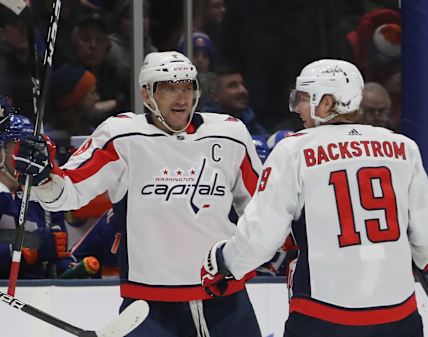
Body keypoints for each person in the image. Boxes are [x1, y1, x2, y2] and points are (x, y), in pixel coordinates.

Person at [13, 51, 263, 337]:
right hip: (149, 306)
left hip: (225, 299)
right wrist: (44, 175)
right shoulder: (121, 137)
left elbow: (260, 209)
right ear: (147, 94)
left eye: (187, 87)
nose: (181, 98)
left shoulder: (230, 134)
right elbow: (67, 193)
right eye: (168, 88)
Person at [200, 59, 428, 337]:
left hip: (324, 315)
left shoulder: (294, 150)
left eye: (304, 99)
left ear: (328, 102)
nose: (297, 108)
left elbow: (260, 238)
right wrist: (408, 260)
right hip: (398, 315)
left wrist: (225, 261)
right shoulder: (404, 147)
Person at [0, 103, 74, 279]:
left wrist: (69, 268)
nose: (28, 155)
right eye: (19, 146)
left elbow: (58, 251)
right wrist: (25, 249)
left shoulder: (41, 195)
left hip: (40, 294)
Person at [202, 66, 268, 137]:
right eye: (233, 86)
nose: (243, 90)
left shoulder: (250, 120)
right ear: (215, 96)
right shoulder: (205, 125)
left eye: (243, 84)